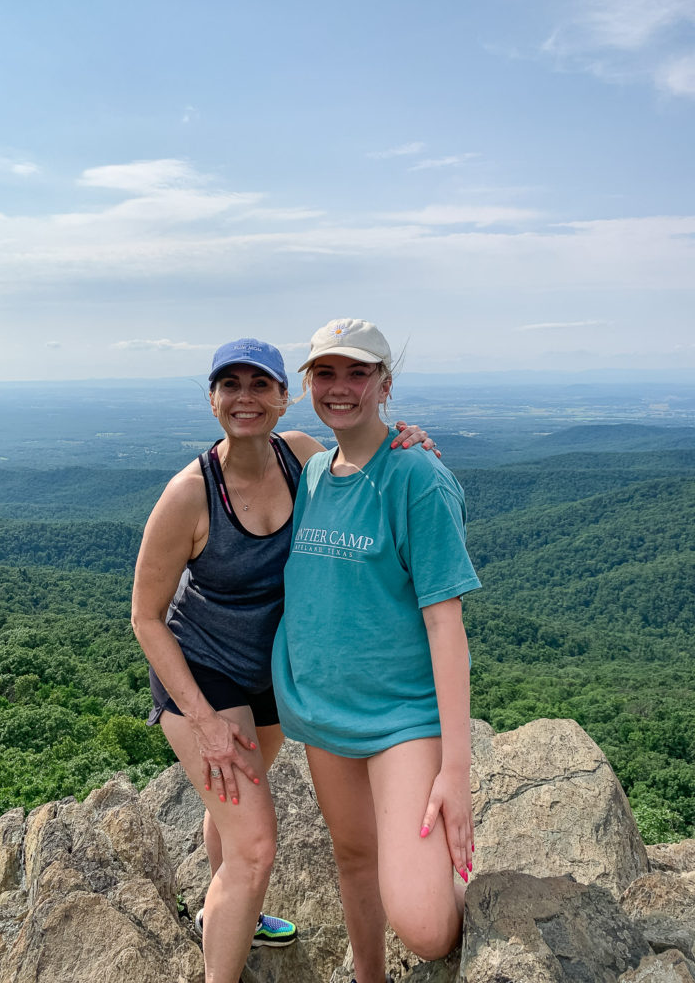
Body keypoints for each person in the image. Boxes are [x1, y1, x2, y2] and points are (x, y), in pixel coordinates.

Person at [131, 337, 436, 983]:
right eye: (230, 385)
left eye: (260, 384)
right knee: (257, 845)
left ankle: (227, 905)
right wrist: (204, 720)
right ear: (212, 399)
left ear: (283, 396)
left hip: (271, 669)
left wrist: (405, 445)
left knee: (236, 822)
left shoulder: (301, 457)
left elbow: (362, 481)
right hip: (202, 671)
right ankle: (224, 950)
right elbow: (145, 617)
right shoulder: (190, 494)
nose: (246, 398)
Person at [272, 318, 481, 983]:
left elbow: (447, 626)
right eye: (325, 373)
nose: (340, 387)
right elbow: (247, 440)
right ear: (307, 385)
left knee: (423, 928)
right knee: (353, 856)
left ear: (385, 384)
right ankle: (368, 975)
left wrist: (455, 771)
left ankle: (446, 883)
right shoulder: (308, 472)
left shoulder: (416, 476)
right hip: (324, 713)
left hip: (401, 717)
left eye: (357, 372)